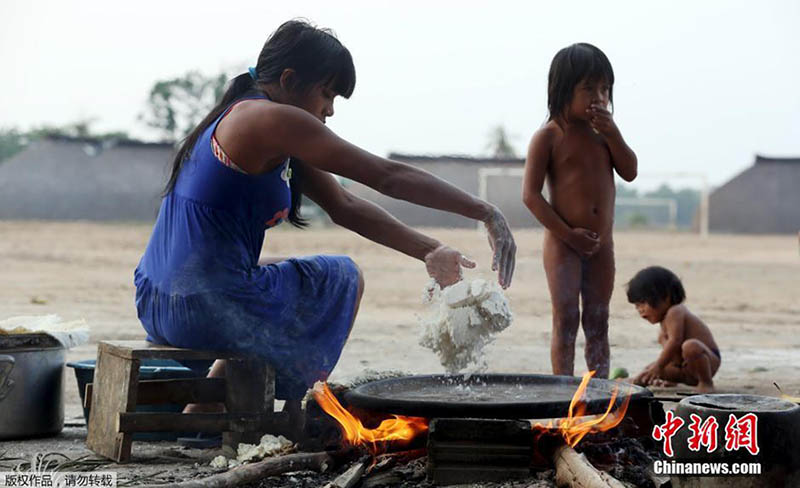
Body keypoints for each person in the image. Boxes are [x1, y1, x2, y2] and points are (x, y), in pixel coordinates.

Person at [134, 20, 516, 420]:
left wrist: (430, 250)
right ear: (289, 80)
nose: (329, 110)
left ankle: (205, 407)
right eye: (326, 94)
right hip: (202, 307)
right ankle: (295, 413)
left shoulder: (246, 119)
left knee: (284, 271)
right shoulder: (269, 119)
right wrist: (485, 211)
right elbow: (387, 176)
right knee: (343, 278)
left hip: (156, 299)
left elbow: (344, 205)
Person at [522, 43, 637, 378]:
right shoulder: (548, 136)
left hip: (602, 244)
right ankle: (564, 389)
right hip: (564, 244)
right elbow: (531, 196)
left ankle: (598, 390)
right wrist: (569, 235)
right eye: (588, 89)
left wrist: (614, 134)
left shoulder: (604, 135)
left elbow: (630, 171)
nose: (599, 98)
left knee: (598, 318)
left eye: (605, 89)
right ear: (562, 90)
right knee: (567, 317)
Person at [626, 266, 720, 393]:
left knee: (690, 346)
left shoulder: (676, 311)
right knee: (650, 370)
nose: (640, 310)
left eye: (643, 303)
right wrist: (657, 371)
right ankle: (638, 382)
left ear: (666, 297)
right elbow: (673, 356)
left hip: (706, 362)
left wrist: (659, 366)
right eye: (637, 306)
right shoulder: (662, 329)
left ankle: (706, 383)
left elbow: (676, 341)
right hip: (685, 368)